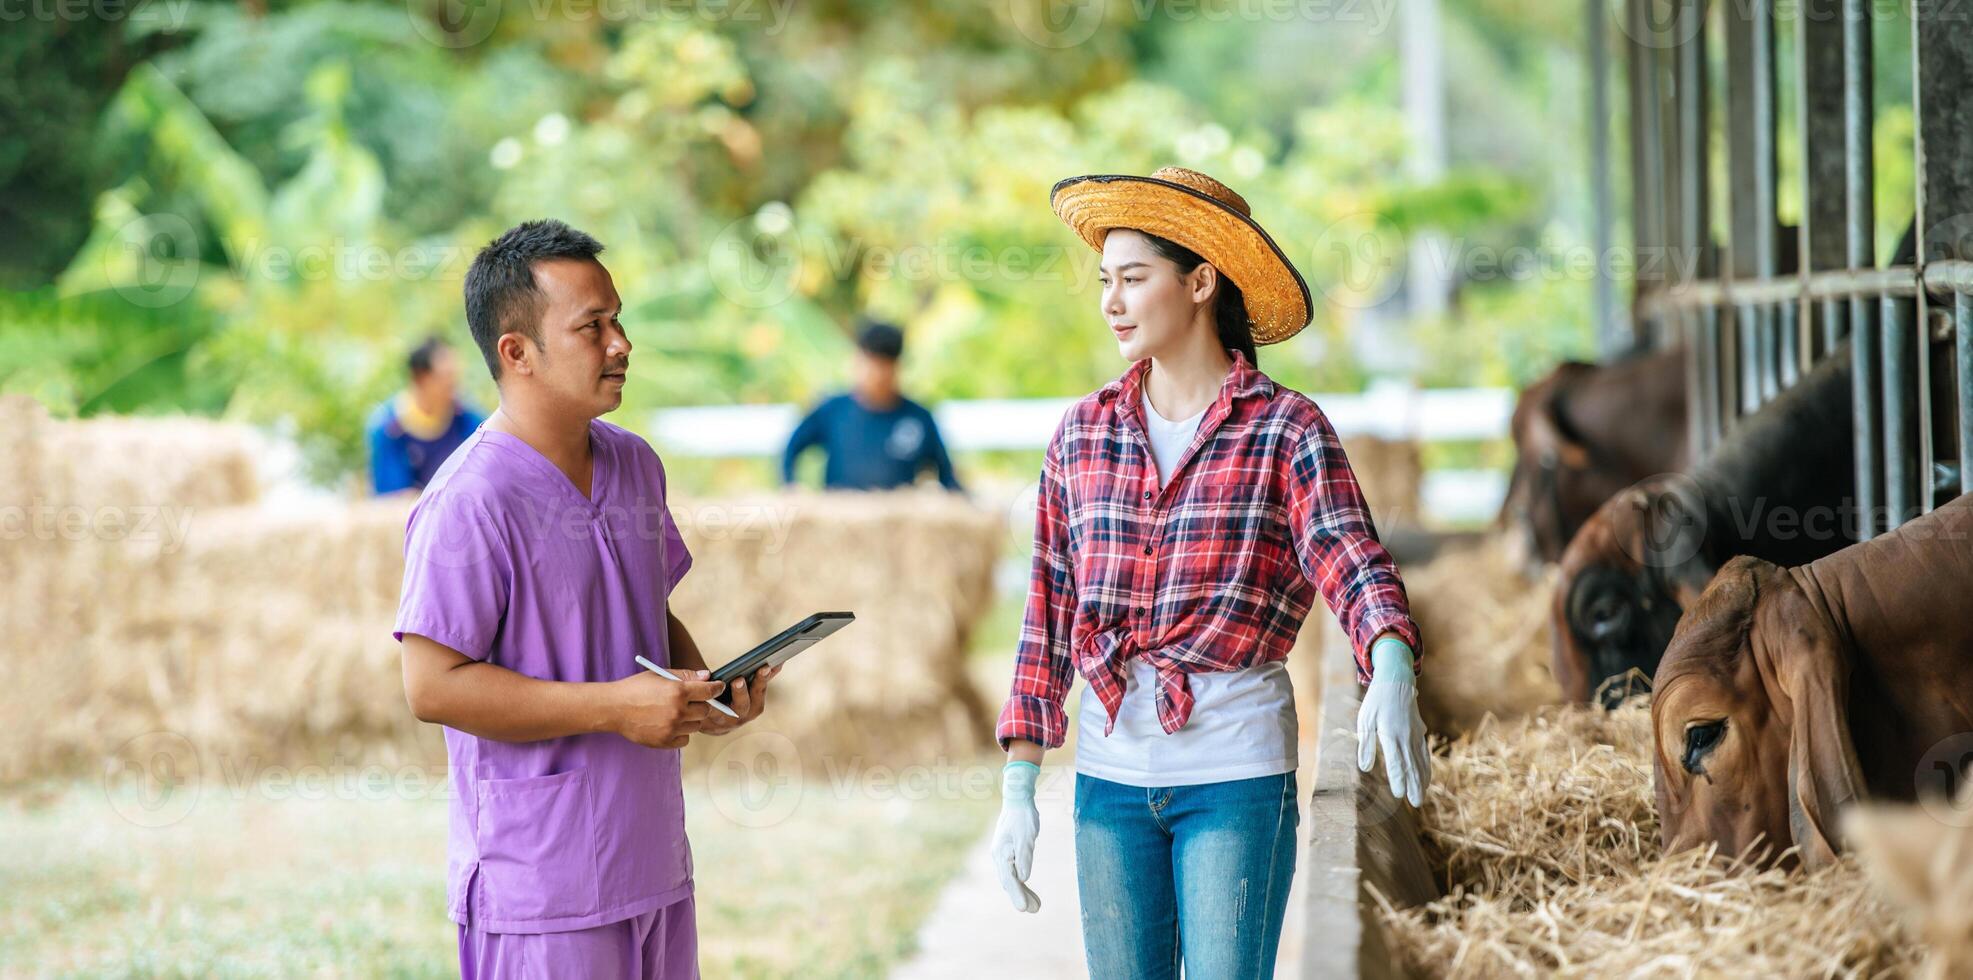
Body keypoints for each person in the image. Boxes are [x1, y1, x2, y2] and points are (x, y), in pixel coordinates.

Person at [990, 168, 1431, 978]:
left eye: (1133, 278)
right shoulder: (1080, 435)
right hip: (1108, 786)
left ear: (1199, 281)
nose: (1111, 302)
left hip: (1235, 776)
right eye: (1104, 281)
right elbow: (1047, 613)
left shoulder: (1285, 429)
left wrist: (1392, 660)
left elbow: (1349, 557)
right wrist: (1019, 783)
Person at [393, 219, 779, 980]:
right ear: (517, 353)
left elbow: (640, 610)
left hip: (651, 859)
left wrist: (708, 693)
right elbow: (430, 686)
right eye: (591, 327)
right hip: (541, 883)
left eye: (619, 319)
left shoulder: (634, 465)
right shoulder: (471, 499)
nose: (622, 343)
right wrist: (611, 706)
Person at [779, 320, 963, 492]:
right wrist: (790, 486)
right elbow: (792, 447)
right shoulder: (833, 411)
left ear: (898, 367)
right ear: (858, 361)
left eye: (886, 366)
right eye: (873, 364)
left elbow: (947, 477)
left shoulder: (918, 418)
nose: (878, 375)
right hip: (839, 516)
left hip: (897, 520)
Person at [368, 336, 487, 495]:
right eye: (446, 377)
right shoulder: (389, 428)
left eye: (455, 376)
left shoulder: (466, 419)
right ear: (420, 378)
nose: (454, 385)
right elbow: (391, 497)